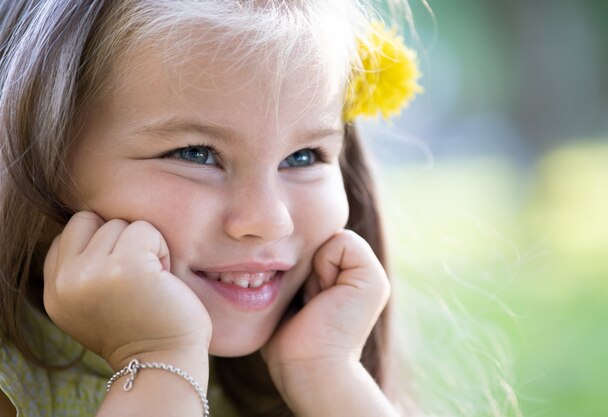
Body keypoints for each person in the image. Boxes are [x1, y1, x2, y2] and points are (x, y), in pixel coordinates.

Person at [0, 0, 422, 416]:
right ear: (33, 162)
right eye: (196, 154)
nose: (269, 221)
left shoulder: (313, 359)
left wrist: (326, 374)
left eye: (303, 157)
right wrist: (157, 364)